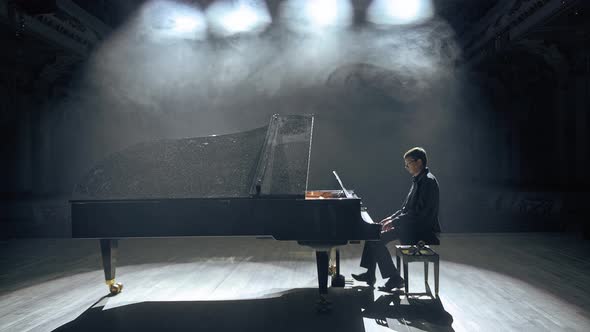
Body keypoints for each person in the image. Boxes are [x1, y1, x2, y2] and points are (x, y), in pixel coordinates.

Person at [352, 147, 441, 291]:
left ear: (419, 162)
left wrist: (394, 222)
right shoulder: (419, 180)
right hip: (411, 225)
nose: (406, 167)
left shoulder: (427, 182)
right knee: (373, 234)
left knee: (377, 239)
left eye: (408, 163)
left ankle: (395, 278)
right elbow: (406, 208)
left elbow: (418, 214)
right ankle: (370, 274)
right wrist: (390, 218)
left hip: (421, 230)